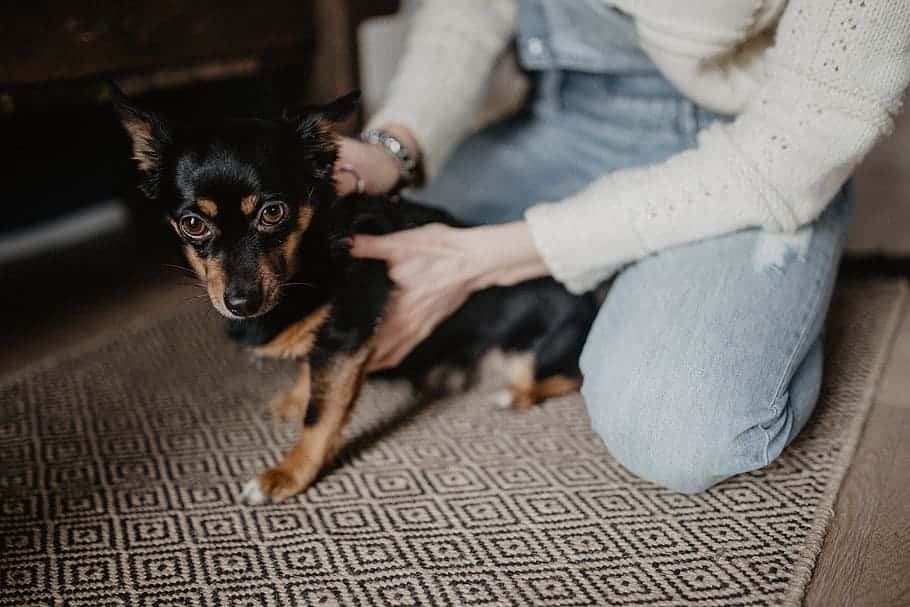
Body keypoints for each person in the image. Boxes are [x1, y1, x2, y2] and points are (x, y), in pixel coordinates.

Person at [331, 0, 910, 493]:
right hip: (562, 119)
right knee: (343, 281)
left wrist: (479, 259)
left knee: (680, 431)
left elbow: (799, 146)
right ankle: (625, 277)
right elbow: (469, 10)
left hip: (748, 149)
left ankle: (736, 298)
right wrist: (393, 148)